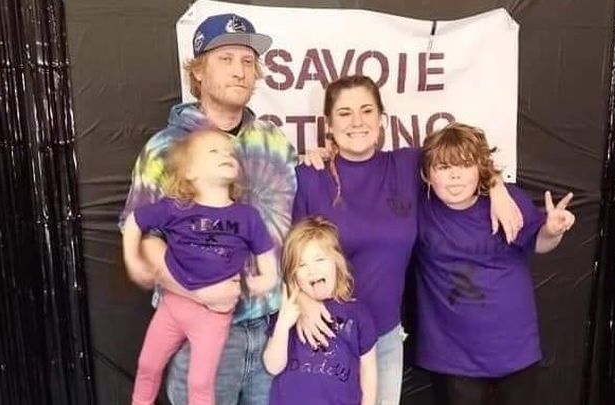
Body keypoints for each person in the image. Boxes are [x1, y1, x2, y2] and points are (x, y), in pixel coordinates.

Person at [292, 75, 524, 404]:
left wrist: (496, 186)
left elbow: (462, 157)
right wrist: (303, 303)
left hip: (384, 337)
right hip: (323, 332)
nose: (357, 121)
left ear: (382, 120)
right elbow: (289, 256)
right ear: (328, 125)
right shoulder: (308, 176)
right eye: (344, 113)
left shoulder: (407, 165)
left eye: (367, 110)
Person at [119, 13, 296, 405]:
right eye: (225, 59)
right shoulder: (165, 148)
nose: (239, 71)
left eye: (247, 61)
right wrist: (200, 292)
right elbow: (144, 237)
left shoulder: (275, 142)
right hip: (197, 329)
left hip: (271, 329)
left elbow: (294, 226)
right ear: (198, 71)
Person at [414, 123, 575, 405]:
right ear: (428, 174)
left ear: (479, 168)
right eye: (444, 167)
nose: (454, 175)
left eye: (465, 165)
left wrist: (552, 230)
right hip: (453, 356)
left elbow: (539, 243)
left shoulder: (509, 200)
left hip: (514, 349)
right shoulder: (420, 208)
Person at [123, 130, 278, 405]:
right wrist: (133, 262)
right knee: (147, 365)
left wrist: (244, 287)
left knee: (200, 383)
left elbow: (270, 274)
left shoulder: (248, 216)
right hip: (172, 307)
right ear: (190, 171)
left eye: (229, 152)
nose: (226, 155)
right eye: (213, 151)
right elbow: (134, 220)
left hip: (213, 317)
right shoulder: (176, 207)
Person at [263, 216, 377, 405]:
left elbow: (368, 373)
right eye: (301, 265)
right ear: (294, 276)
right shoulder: (288, 310)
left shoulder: (358, 314)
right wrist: (282, 324)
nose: (312, 270)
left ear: (337, 262)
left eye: (319, 259)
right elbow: (272, 367)